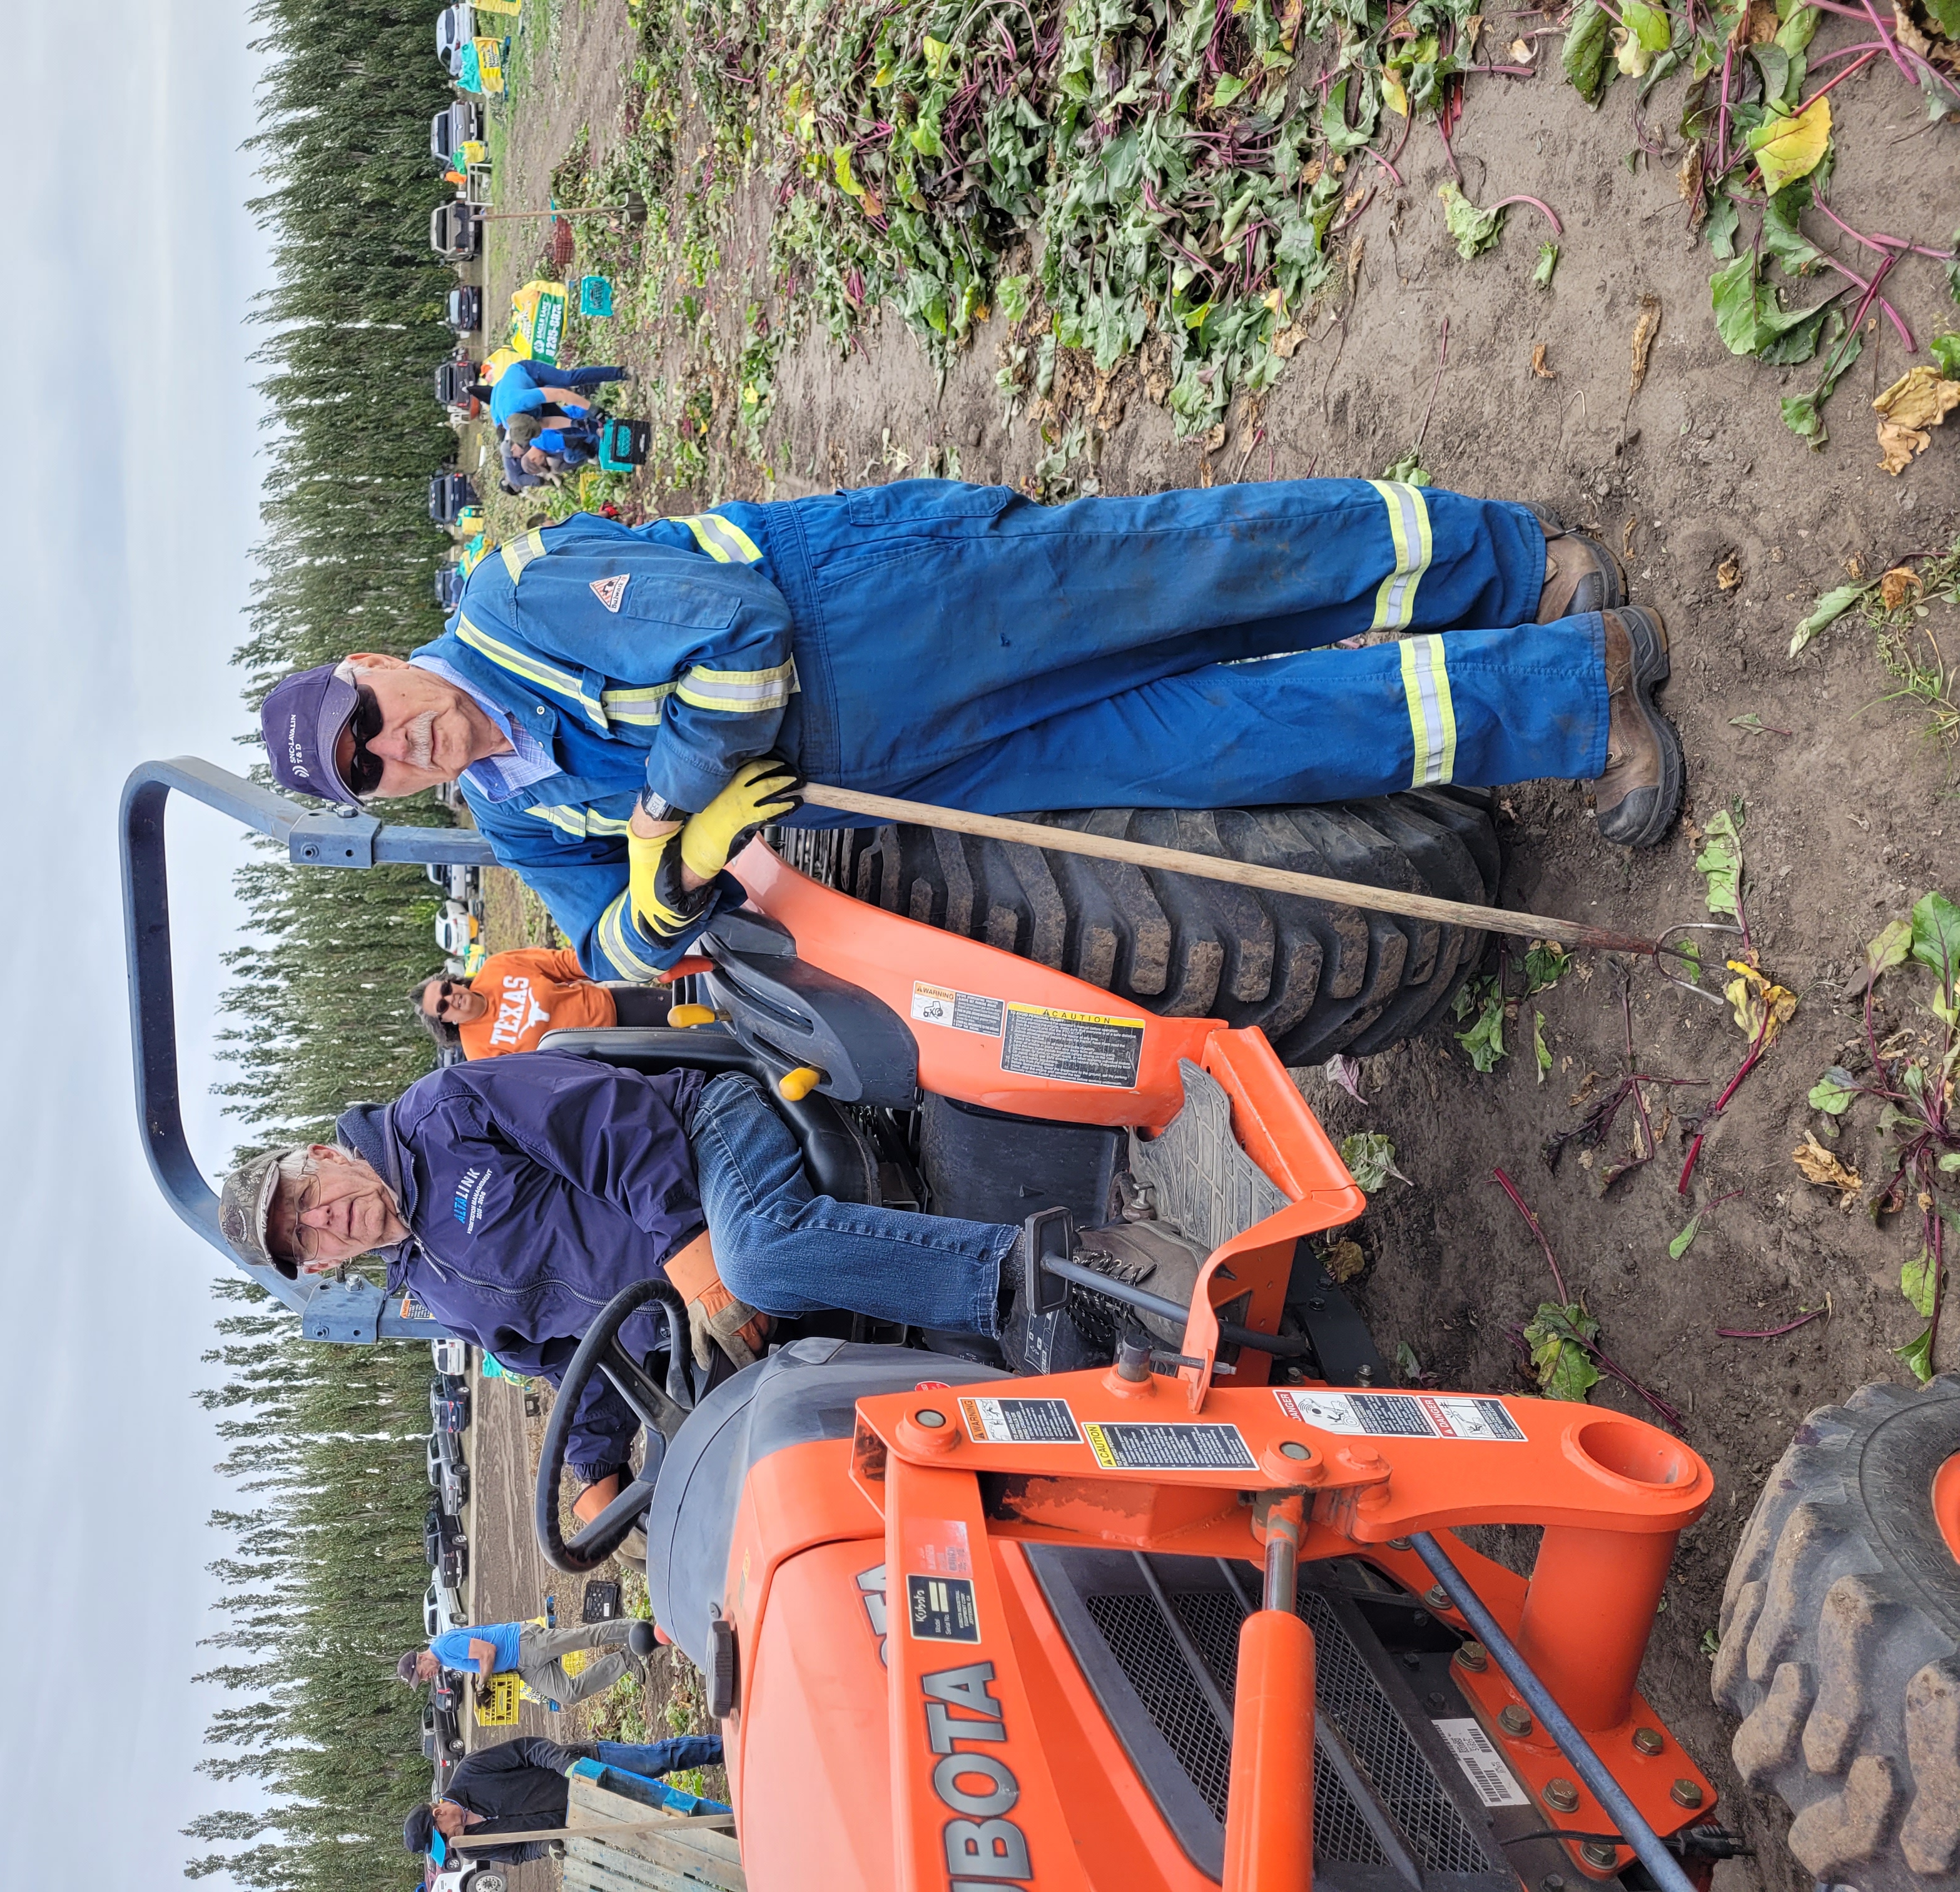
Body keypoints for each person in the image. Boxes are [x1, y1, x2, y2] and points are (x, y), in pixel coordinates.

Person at [251, 478, 1680, 982]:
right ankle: (1573, 691)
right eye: (373, 771)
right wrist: (663, 893)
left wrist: (675, 807)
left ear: (376, 663)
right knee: (1235, 742)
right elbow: (600, 948)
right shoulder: (510, 811)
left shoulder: (521, 600)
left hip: (908, 614)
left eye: (372, 721)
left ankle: (1508, 561)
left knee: (1207, 573)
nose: (399, 750)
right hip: (909, 772)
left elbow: (735, 635)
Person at [215, 1050, 1045, 1524]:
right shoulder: (435, 1293)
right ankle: (997, 1436)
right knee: (730, 1468)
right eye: (306, 1240)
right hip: (681, 1310)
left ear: (320, 1158)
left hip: (697, 1145)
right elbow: (571, 1359)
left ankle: (1025, 1279)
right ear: (320, 1269)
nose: (326, 1222)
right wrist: (597, 1469)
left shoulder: (442, 1114)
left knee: (753, 1260)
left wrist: (685, 1242)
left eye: (308, 1201)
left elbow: (608, 1119)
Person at [403, 1732, 726, 1864]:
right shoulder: (473, 1848)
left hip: (590, 1767)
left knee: (657, 1761)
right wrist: (547, 1847)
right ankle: (729, 1825)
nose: (453, 1842)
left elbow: (530, 1748)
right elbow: (519, 1853)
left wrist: (567, 1766)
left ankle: (722, 1749)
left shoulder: (470, 1772)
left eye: (444, 1838)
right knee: (664, 1810)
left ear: (439, 1815)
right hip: (588, 1815)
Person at [413, 946, 673, 1059]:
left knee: (695, 1012)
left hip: (612, 1006)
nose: (450, 998)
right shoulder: (479, 1054)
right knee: (694, 1054)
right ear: (446, 1022)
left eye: (446, 989)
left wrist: (618, 966)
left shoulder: (498, 967)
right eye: (442, 1007)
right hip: (608, 1058)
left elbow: (563, 964)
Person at [399, 1612, 660, 1708]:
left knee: (585, 1638)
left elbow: (487, 1651)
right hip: (521, 1666)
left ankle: (634, 1629)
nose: (426, 1678)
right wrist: (481, 1680)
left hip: (525, 1643)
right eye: (421, 1680)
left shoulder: (444, 1646)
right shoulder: (446, 1659)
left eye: (421, 1674)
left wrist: (482, 1685)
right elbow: (481, 1650)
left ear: (420, 1659)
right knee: (567, 1694)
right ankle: (625, 1660)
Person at [485, 357, 629, 429]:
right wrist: (574, 423)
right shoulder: (521, 428)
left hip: (526, 373)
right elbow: (546, 423)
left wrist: (593, 409)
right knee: (569, 427)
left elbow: (560, 394)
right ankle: (604, 428)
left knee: (568, 379)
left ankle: (620, 373)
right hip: (506, 396)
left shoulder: (521, 401)